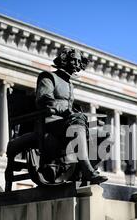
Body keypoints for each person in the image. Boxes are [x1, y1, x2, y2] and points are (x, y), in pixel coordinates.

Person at [35, 47, 107, 184]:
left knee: (104, 135)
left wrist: (87, 120)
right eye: (73, 60)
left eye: (78, 62)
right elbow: (44, 99)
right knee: (78, 125)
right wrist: (65, 111)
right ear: (64, 60)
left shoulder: (69, 84)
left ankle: (81, 170)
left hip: (69, 122)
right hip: (51, 123)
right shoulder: (48, 77)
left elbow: (70, 108)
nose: (76, 65)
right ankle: (87, 170)